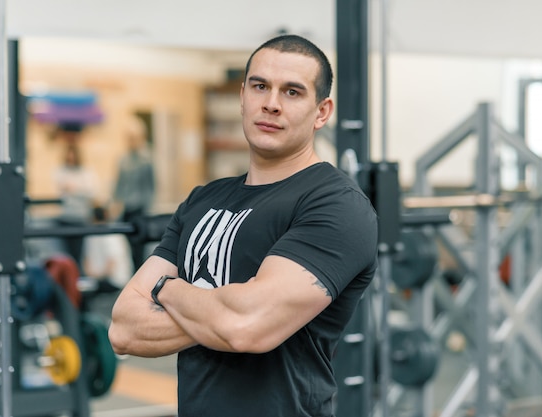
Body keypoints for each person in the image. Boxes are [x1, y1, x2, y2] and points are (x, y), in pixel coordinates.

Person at [109, 34, 378, 417]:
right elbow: (123, 328)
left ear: (322, 112)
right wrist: (226, 313)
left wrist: (166, 288)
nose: (271, 103)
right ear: (242, 96)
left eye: (292, 92)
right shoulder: (202, 200)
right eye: (260, 86)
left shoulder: (336, 205)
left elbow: (246, 326)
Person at [111, 116, 156, 269]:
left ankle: (140, 276)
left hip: (141, 209)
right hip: (127, 209)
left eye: (133, 137)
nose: (131, 141)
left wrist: (148, 208)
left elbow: (151, 187)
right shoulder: (123, 160)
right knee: (128, 249)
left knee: (140, 250)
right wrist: (114, 204)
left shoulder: (146, 159)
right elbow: (118, 185)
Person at [54, 142, 97, 272]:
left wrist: (75, 189)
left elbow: (91, 192)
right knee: (66, 254)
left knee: (79, 252)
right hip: (66, 217)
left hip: (80, 217)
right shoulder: (61, 171)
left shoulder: (85, 173)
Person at [82, 205, 134, 294]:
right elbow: (87, 261)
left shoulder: (111, 234)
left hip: (115, 281)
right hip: (99, 278)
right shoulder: (92, 234)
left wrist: (96, 276)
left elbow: (112, 264)